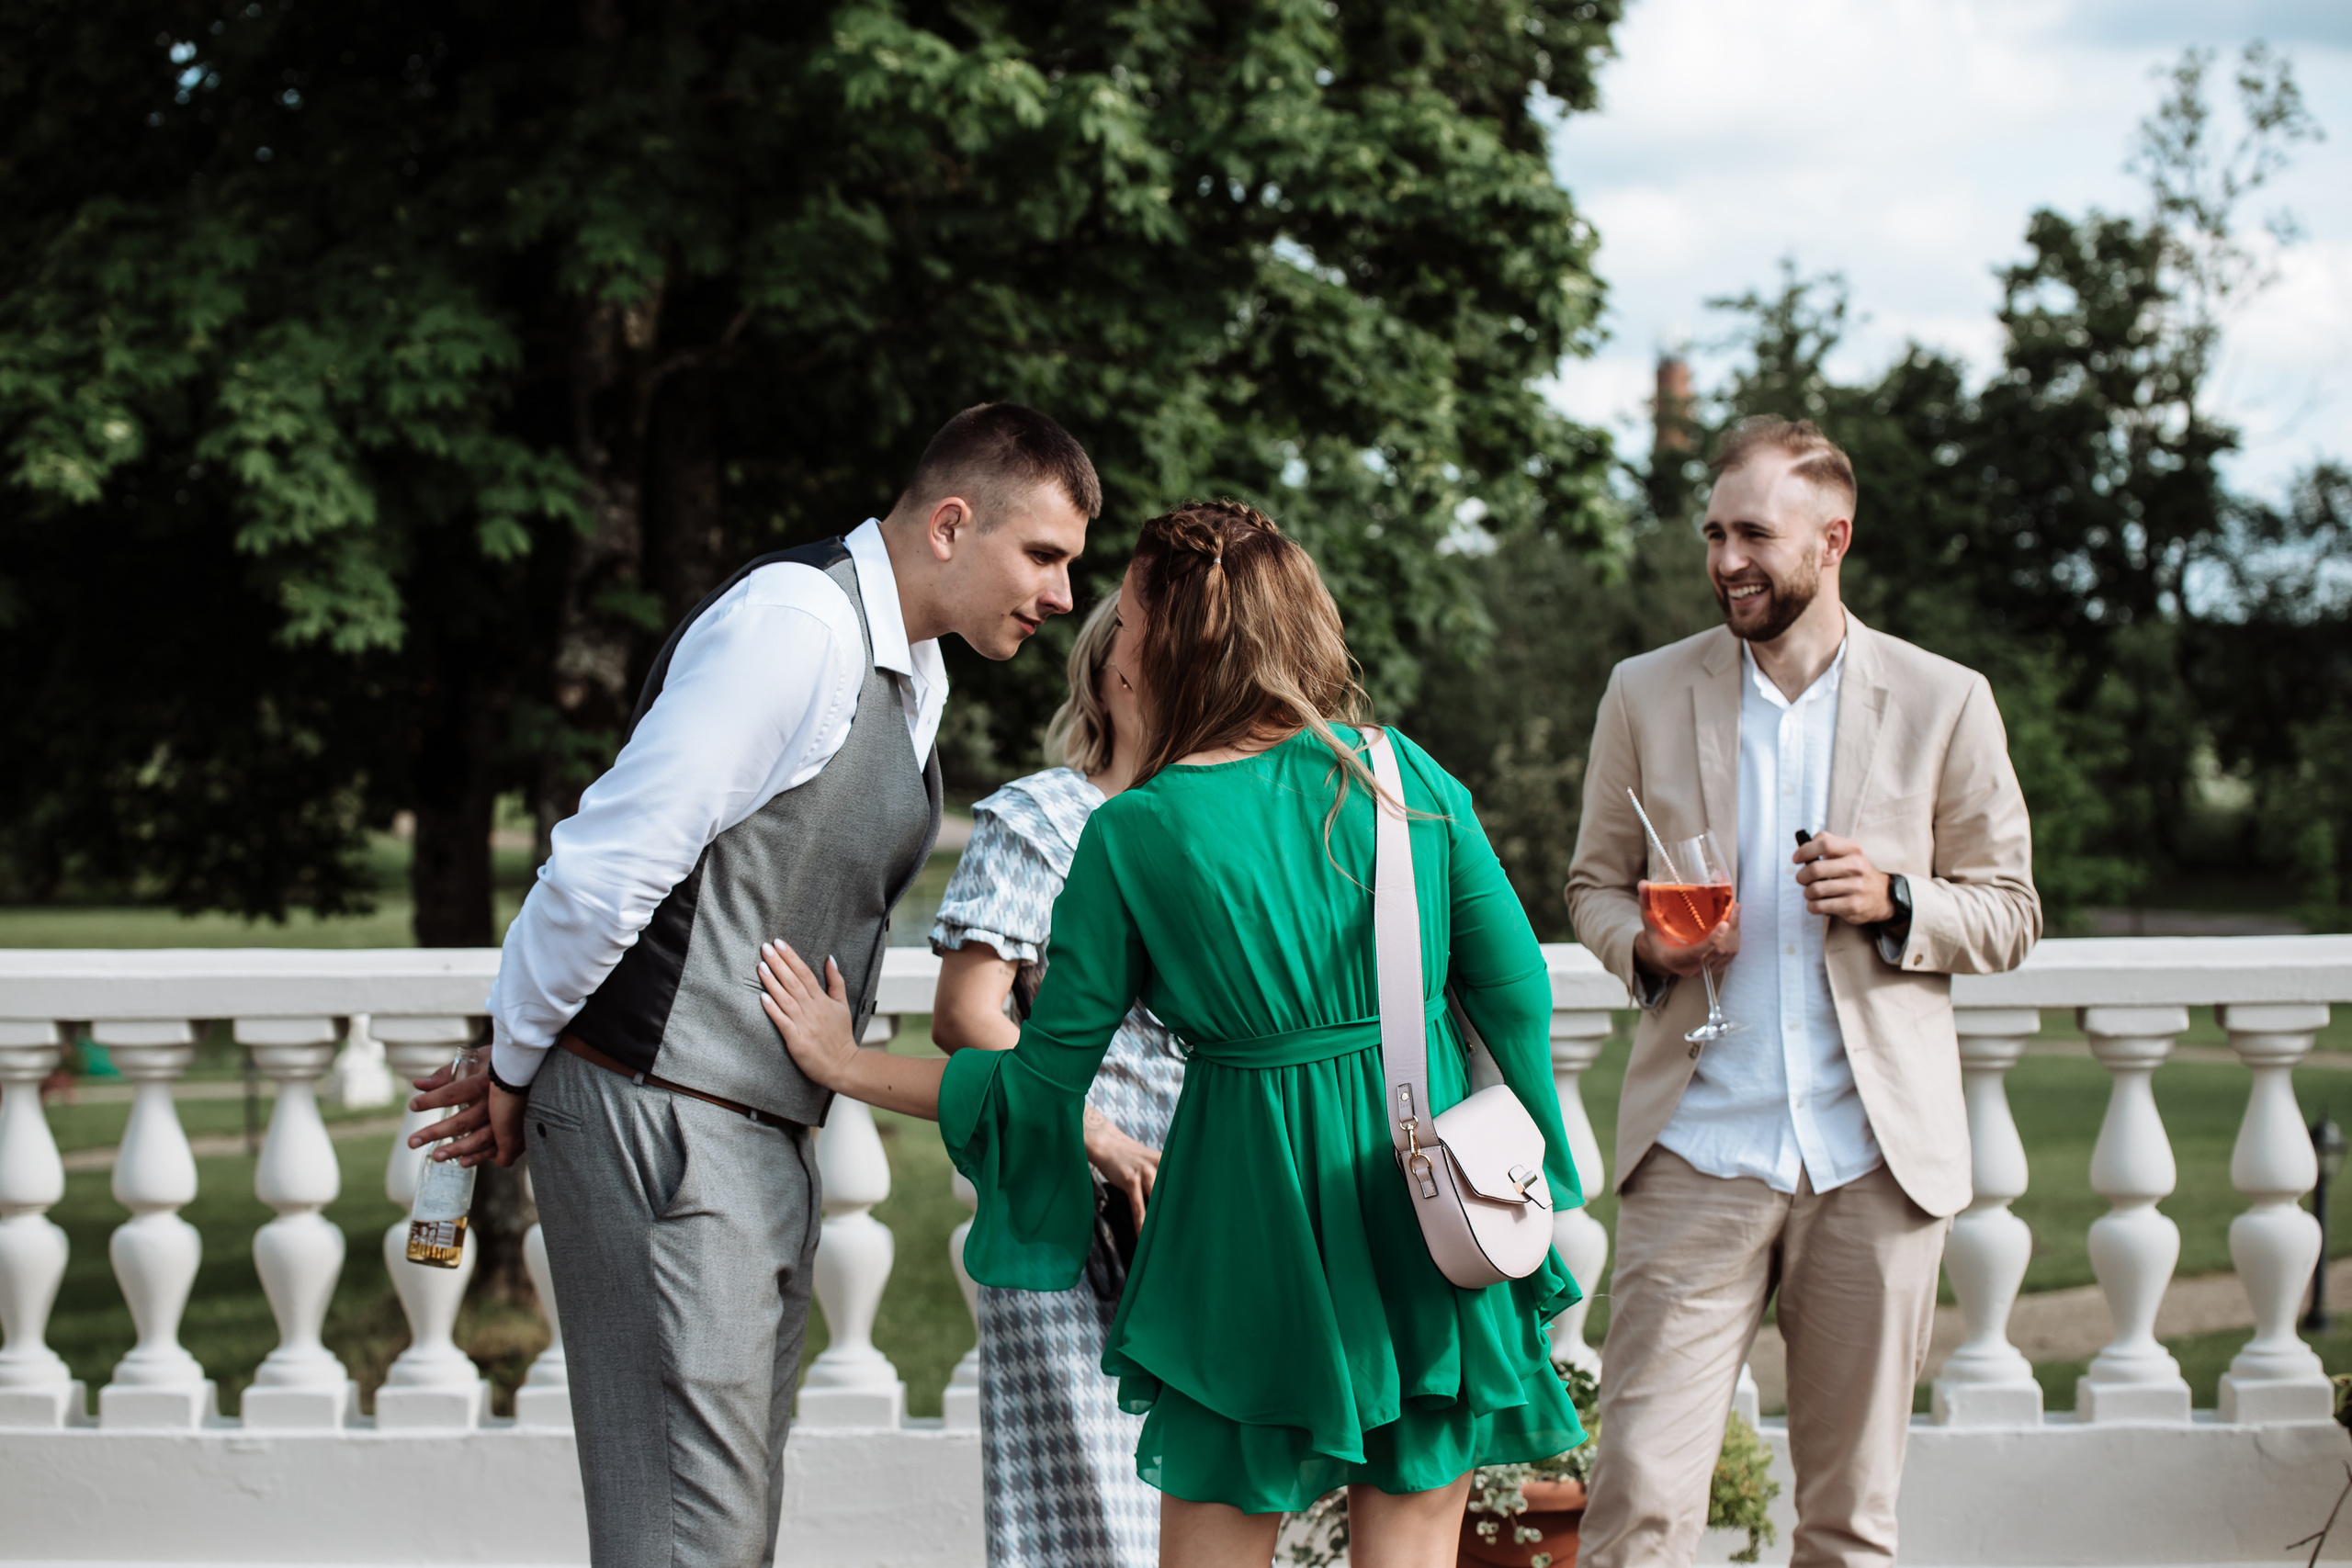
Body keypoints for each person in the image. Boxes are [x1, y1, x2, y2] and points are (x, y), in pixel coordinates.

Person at [756, 500, 1587, 1568]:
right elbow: (1514, 991)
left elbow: (1042, 1083)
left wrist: (843, 1061)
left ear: (1178, 642)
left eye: (1137, 611)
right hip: (1416, 1203)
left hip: (1248, 1223)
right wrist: (1532, 1175)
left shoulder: (1135, 834)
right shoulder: (1400, 774)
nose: (1121, 634)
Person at [409, 402, 1099, 1568]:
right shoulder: (798, 627)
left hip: (741, 1133)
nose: (1064, 597)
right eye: (1044, 556)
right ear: (948, 523)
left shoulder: (911, 669)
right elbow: (605, 868)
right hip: (661, 1118)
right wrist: (516, 1063)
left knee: (716, 1531)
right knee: (687, 1537)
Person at [1566, 417, 2040, 1568]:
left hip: (1873, 1163)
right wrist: (1648, 948)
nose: (1726, 559)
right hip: (1696, 1151)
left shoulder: (1944, 699)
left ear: (1832, 539)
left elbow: (2011, 911)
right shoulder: (1642, 689)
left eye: (1754, 535)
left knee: (1848, 1523)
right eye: (1714, 533)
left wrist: (1895, 899)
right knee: (1635, 1499)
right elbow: (1591, 886)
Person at [928, 593, 1182, 1568]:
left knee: (1209, 1519)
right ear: (1113, 673)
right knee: (1091, 1524)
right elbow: (967, 1016)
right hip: (1068, 1209)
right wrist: (1099, 1137)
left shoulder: (1212, 818)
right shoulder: (1045, 819)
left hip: (1199, 1215)